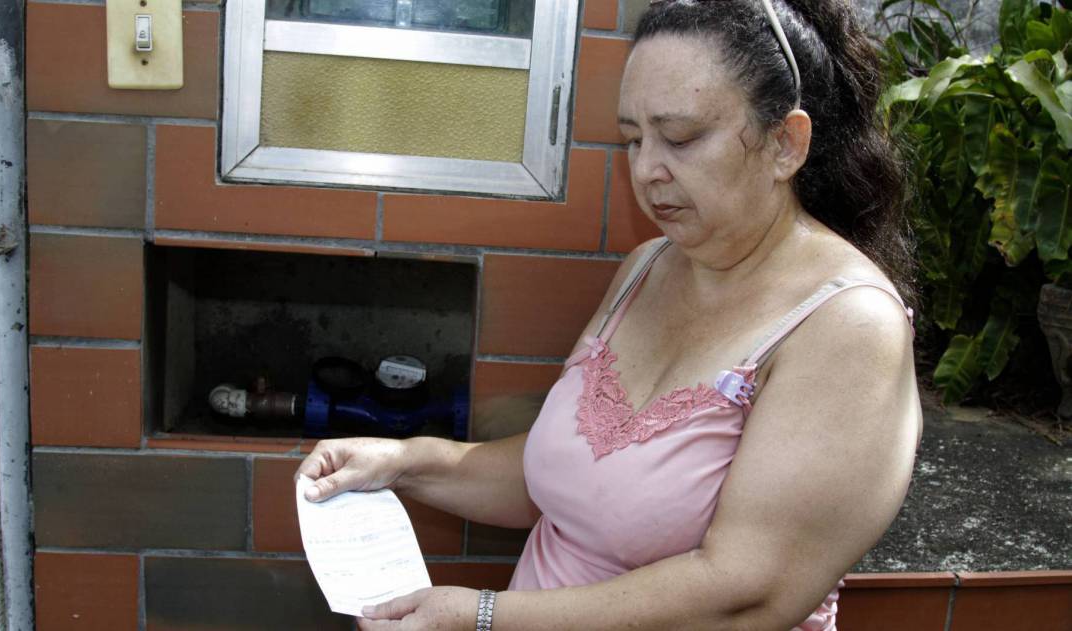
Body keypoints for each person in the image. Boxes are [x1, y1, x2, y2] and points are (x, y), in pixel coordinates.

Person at [296, 0, 922, 628]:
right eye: (632, 138)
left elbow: (747, 595)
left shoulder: (848, 328)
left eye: (679, 138)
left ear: (785, 144)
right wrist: (405, 462)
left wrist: (483, 618)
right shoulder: (648, 266)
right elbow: (570, 478)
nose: (647, 170)